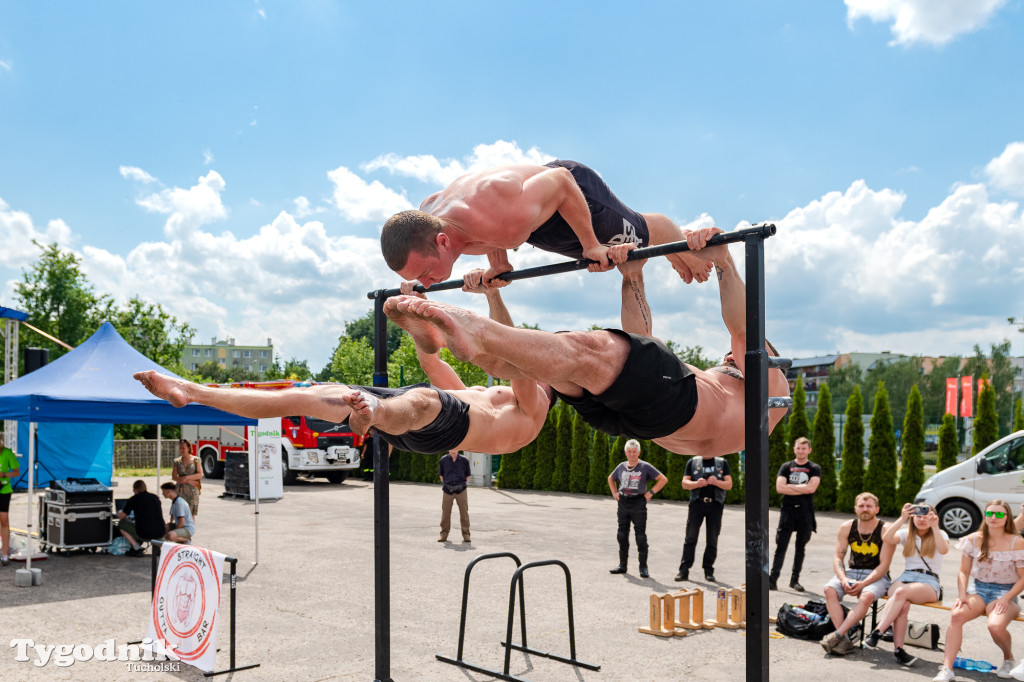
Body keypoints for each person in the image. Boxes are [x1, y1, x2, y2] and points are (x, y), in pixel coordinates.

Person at [382, 227, 790, 457]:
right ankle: (479, 336)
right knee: (557, 361)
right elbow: (642, 346)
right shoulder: (744, 416)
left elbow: (743, 332)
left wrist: (723, 260)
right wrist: (633, 275)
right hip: (641, 422)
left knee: (580, 350)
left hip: (667, 412)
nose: (726, 355)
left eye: (732, 357)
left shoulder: (767, 382)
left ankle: (474, 328)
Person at [134, 275, 550, 459]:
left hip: (437, 422)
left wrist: (493, 294)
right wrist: (416, 302)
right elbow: (432, 362)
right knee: (306, 394)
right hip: (418, 417)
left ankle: (369, 415)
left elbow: (516, 357)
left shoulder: (531, 413)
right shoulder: (486, 396)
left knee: (423, 399)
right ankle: (192, 390)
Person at [379, 160, 715, 295]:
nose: (424, 283)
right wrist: (499, 265)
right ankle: (672, 252)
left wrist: (590, 245)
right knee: (512, 229)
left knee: (639, 233)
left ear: (441, 241)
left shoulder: (501, 217)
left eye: (423, 272)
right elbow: (481, 224)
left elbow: (561, 180)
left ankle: (677, 242)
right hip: (532, 216)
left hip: (568, 191)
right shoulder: (432, 215)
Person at [932, 500, 1024, 682]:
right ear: (985, 516)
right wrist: (962, 594)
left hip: (1006, 592)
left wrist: (1006, 599)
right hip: (978, 589)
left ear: (1007, 517)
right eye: (990, 514)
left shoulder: (1017, 542)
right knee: (956, 614)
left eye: (999, 514)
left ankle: (1009, 659)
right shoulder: (973, 539)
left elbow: (1023, 578)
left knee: (995, 626)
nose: (994, 518)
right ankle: (947, 669)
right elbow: (963, 572)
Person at [863, 503, 949, 668]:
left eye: (926, 515)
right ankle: (899, 651)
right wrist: (902, 518)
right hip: (906, 576)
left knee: (901, 593)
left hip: (929, 580)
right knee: (903, 605)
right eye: (918, 515)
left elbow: (944, 550)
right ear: (912, 517)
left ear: (933, 517)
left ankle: (877, 632)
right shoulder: (906, 533)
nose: (922, 519)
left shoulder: (940, 534)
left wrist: (935, 526)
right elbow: (887, 538)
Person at [820, 492, 895, 656]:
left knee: (866, 596)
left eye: (869, 506)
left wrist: (864, 583)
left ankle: (837, 634)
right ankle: (845, 639)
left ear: (877, 509)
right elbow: (838, 556)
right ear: (855, 508)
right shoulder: (847, 527)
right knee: (829, 590)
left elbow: (884, 565)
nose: (865, 509)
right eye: (861, 506)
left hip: (877, 575)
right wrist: (843, 578)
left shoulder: (885, 529)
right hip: (852, 572)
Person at [607, 439, 667, 578]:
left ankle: (643, 567)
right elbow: (611, 478)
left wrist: (650, 493)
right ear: (625, 452)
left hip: (638, 503)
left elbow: (663, 479)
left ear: (639, 452)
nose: (632, 454)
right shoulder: (621, 466)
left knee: (640, 536)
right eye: (629, 452)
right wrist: (614, 492)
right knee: (622, 534)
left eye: (634, 452)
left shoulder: (645, 466)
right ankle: (622, 566)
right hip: (623, 502)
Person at [769, 437, 821, 592]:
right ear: (794, 449)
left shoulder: (814, 468)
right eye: (798, 448)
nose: (801, 451)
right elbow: (780, 488)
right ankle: (772, 580)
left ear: (809, 450)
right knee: (781, 547)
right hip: (787, 512)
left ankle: (794, 580)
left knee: (800, 548)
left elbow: (811, 489)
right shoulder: (786, 467)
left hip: (805, 512)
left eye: (804, 448)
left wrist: (791, 486)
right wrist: (802, 487)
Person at [675, 453, 732, 583]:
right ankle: (684, 570)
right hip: (697, 504)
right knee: (690, 537)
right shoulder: (693, 462)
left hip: (715, 505)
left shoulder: (722, 462)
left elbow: (729, 484)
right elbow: (684, 483)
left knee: (712, 539)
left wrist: (716, 482)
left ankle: (708, 570)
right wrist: (697, 483)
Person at [117, 480, 166, 557]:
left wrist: (119, 512)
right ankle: (156, 548)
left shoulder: (133, 499)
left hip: (144, 534)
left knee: (122, 524)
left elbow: (122, 516)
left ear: (135, 490)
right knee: (145, 524)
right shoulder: (155, 498)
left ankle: (136, 548)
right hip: (161, 532)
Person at [438, 449, 471, 543]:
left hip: (461, 490)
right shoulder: (443, 460)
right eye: (451, 448)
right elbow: (441, 475)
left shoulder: (464, 460)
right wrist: (446, 484)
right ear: (448, 449)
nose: (453, 451)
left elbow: (467, 475)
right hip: (447, 490)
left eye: (455, 448)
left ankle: (466, 535)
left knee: (464, 512)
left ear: (458, 449)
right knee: (445, 513)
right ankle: (443, 535)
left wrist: (461, 485)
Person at [1, 442, 22, 566]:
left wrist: (3, 474)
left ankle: (5, 554)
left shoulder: (7, 453)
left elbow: (16, 472)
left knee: (4, 521)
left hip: (3, 490)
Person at [172, 438, 202, 518]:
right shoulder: (177, 461)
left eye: (183, 448)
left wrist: (187, 478)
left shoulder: (196, 460)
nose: (181, 450)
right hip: (180, 490)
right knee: (179, 513)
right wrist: (188, 481)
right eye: (180, 448)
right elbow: (174, 477)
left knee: (191, 514)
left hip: (192, 491)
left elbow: (200, 474)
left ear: (189, 448)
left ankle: (190, 530)